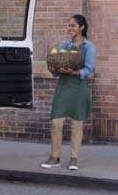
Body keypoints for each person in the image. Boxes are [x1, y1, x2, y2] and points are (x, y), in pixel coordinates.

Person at [41, 14, 95, 171]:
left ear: (82, 28)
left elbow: (89, 69)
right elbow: (57, 69)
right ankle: (54, 157)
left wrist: (75, 73)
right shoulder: (63, 45)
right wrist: (54, 70)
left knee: (77, 124)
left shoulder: (88, 47)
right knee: (56, 122)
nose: (70, 28)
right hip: (63, 86)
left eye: (73, 26)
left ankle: (73, 158)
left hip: (79, 87)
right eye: (69, 25)